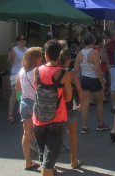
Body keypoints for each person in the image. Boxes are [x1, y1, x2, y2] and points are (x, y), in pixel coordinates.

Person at [33, 40, 71, 176]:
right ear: (59, 55)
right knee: (48, 161)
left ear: (46, 55)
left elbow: (35, 90)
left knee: (43, 154)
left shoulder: (37, 71)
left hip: (38, 118)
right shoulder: (64, 74)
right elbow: (68, 97)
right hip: (57, 118)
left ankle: (49, 169)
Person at [74, 33, 110, 133]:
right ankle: (100, 124)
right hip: (94, 79)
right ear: (93, 41)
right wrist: (102, 82)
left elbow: (76, 68)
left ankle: (84, 126)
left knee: (85, 103)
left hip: (84, 78)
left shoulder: (80, 54)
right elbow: (98, 69)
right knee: (99, 102)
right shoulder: (94, 53)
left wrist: (84, 68)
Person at [16, 47, 43, 171]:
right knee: (41, 133)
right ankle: (46, 162)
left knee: (26, 134)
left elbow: (17, 89)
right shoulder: (37, 71)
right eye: (40, 56)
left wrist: (20, 102)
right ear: (35, 58)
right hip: (34, 103)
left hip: (23, 103)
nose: (42, 58)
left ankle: (28, 161)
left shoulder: (21, 71)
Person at [59, 49, 83, 169]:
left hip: (58, 107)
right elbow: (78, 89)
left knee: (56, 135)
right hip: (70, 106)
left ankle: (51, 163)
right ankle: (73, 160)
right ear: (68, 61)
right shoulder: (71, 73)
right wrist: (82, 103)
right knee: (72, 135)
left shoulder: (56, 72)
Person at [8, 35, 28, 124]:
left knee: (23, 93)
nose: (21, 41)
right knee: (14, 93)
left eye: (23, 39)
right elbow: (10, 62)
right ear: (17, 41)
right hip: (15, 73)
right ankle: (10, 113)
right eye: (20, 39)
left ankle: (20, 110)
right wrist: (11, 56)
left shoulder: (27, 50)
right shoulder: (14, 50)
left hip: (25, 73)